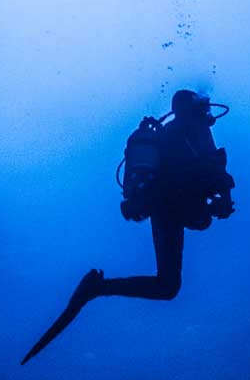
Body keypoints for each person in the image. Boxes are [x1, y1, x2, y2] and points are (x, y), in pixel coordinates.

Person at [20, 89, 233, 364]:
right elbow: (211, 174)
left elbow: (204, 177)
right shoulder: (195, 131)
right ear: (195, 110)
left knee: (168, 285)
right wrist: (221, 202)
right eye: (204, 110)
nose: (209, 115)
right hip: (172, 207)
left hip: (163, 209)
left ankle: (96, 288)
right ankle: (96, 289)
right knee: (168, 285)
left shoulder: (171, 133)